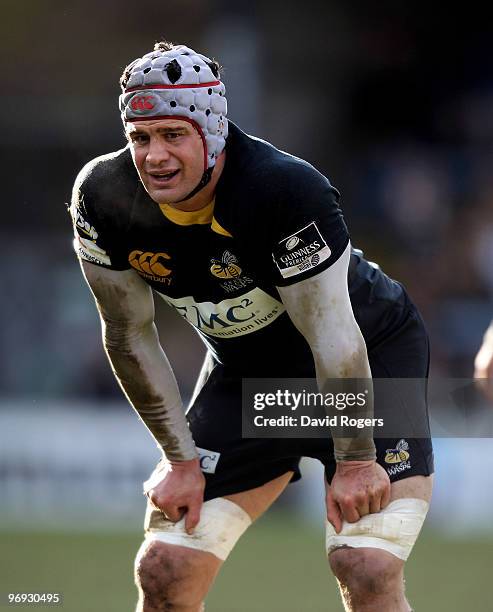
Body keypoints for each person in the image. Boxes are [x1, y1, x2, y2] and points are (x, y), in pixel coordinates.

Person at [69, 41, 434, 612]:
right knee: (164, 570)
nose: (154, 155)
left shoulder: (283, 188)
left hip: (364, 361)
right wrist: (180, 458)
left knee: (363, 566)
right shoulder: (102, 196)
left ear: (212, 131)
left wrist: (358, 460)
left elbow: (334, 338)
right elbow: (127, 333)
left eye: (173, 135)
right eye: (140, 137)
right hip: (248, 378)